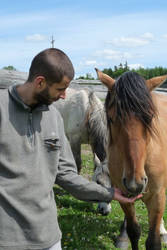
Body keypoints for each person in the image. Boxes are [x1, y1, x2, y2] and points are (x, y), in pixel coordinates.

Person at [0, 48, 142, 250]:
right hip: (6, 240)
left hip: (48, 237)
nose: (65, 96)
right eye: (60, 89)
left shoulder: (53, 117)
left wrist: (109, 193)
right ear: (40, 82)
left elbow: (66, 174)